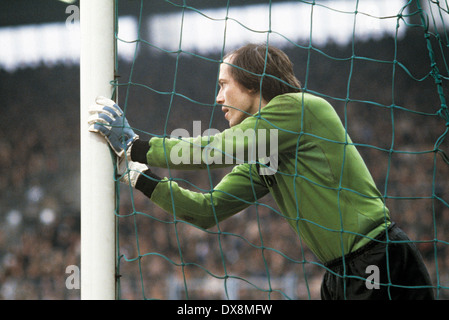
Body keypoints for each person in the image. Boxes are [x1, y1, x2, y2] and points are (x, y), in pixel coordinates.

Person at [88, 43, 434, 300]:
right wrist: (137, 175)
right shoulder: (265, 150)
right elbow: (208, 210)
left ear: (252, 83)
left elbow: (214, 150)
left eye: (224, 84)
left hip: (379, 261)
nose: (218, 98)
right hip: (340, 276)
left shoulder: (299, 109)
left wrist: (136, 145)